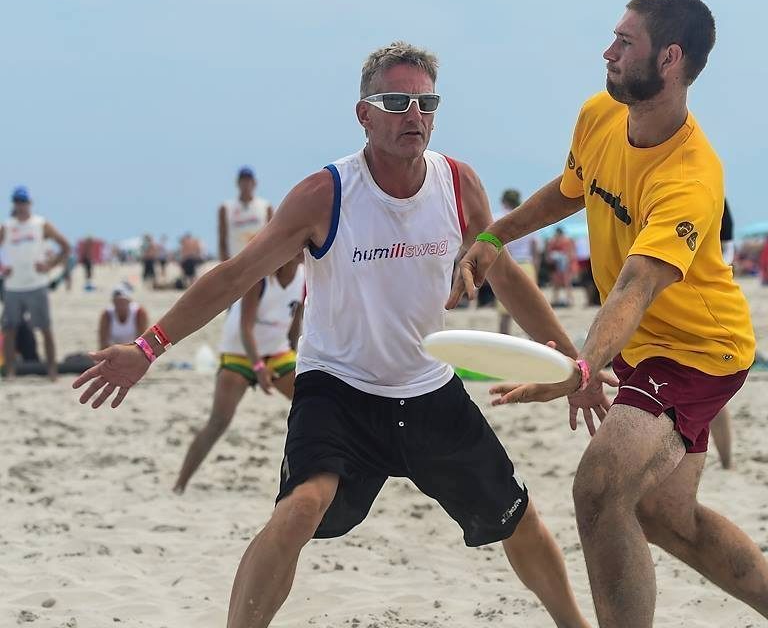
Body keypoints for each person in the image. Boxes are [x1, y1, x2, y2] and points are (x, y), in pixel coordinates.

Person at [75, 41, 591, 628]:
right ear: (363, 114)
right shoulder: (326, 194)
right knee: (300, 508)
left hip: (426, 386)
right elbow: (236, 275)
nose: (414, 115)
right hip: (339, 386)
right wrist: (148, 347)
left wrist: (574, 364)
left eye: (426, 103)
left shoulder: (457, 183)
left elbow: (508, 277)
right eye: (396, 102)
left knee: (517, 517)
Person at [450, 0, 768, 627]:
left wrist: (582, 368)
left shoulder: (690, 176)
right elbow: (573, 188)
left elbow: (635, 287)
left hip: (695, 352)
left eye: (625, 43)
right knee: (667, 518)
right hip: (643, 344)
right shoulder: (600, 115)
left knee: (599, 489)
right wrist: (495, 236)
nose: (608, 52)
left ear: (670, 58)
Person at [173, 254, 305, 494]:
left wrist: (295, 354)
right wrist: (259, 368)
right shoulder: (261, 277)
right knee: (219, 421)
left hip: (276, 351)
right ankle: (180, 484)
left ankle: (305, 479)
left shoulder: (304, 277)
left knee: (308, 405)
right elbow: (246, 327)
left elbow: (296, 320)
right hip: (239, 352)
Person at [0, 186, 70, 380]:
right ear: (13, 203)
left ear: (30, 203)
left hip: (37, 285)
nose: (21, 205)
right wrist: (3, 268)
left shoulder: (40, 224)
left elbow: (65, 246)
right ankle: (10, 372)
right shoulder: (7, 226)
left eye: (23, 201)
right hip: (13, 286)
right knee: (9, 329)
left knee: (45, 328)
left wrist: (49, 265)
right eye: (17, 201)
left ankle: (52, 371)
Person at [710, 198, 736, 469]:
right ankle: (727, 462)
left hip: (708, 297)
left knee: (712, 388)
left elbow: (727, 244)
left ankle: (727, 462)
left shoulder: (711, 191)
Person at [496, 189, 540, 334]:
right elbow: (535, 248)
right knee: (531, 309)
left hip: (507, 264)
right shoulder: (529, 217)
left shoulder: (498, 218)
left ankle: (503, 340)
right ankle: (532, 340)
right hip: (526, 264)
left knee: (505, 311)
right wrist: (536, 268)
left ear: (504, 201)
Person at [218, 166, 273, 262]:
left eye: (249, 181)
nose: (246, 184)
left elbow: (271, 237)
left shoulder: (266, 207)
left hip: (259, 261)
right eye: (243, 181)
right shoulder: (226, 208)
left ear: (254, 183)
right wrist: (224, 263)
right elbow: (222, 240)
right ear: (237, 183)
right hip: (235, 261)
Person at [98, 283, 149, 349]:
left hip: (134, 350)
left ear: (129, 301)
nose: (120, 305)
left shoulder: (139, 313)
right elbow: (103, 343)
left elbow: (143, 341)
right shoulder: (106, 315)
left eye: (122, 302)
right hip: (114, 350)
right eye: (117, 302)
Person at [545, 227, 577, 307]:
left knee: (564, 283)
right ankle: (562, 299)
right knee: (561, 284)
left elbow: (548, 255)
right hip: (560, 265)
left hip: (563, 265)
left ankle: (567, 300)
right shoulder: (562, 241)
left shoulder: (558, 241)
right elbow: (571, 254)